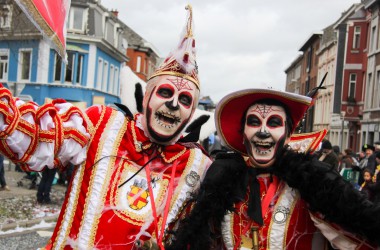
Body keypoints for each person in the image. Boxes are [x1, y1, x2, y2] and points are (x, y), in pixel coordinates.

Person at [0, 5, 211, 249]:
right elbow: (35, 133)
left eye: (185, 99)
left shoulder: (198, 165)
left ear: (191, 112)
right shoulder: (101, 125)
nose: (173, 104)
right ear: (147, 98)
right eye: (165, 92)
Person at [167, 88, 380, 249]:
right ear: (243, 134)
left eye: (274, 123)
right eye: (254, 122)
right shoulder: (221, 181)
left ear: (288, 135)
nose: (262, 131)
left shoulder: (312, 184)